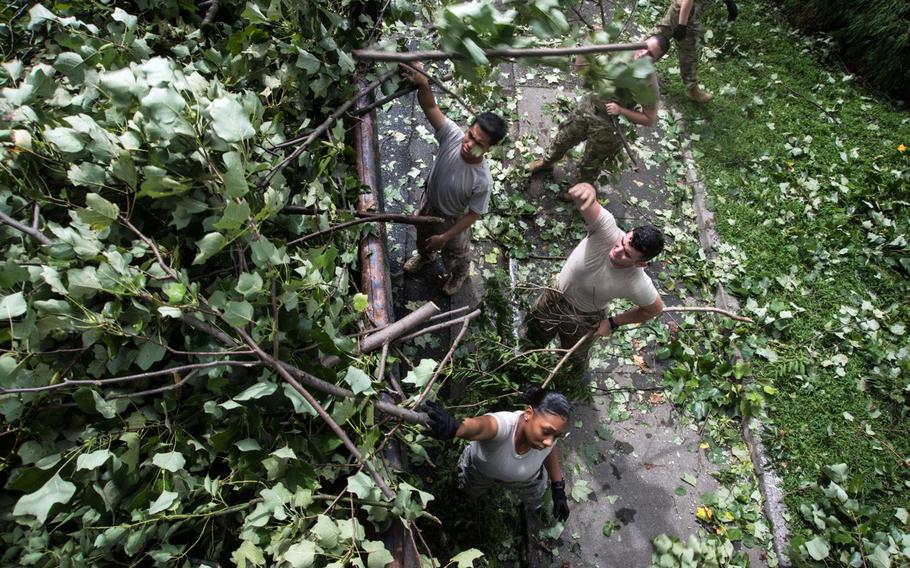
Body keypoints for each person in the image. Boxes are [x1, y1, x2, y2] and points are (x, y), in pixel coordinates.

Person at [524, 182, 665, 379]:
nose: (616, 252)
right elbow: (587, 203)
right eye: (621, 243)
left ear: (641, 263)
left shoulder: (637, 282)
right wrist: (586, 191)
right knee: (532, 337)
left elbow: (655, 309)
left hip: (584, 317)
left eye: (626, 254)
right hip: (554, 295)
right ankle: (522, 365)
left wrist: (613, 323)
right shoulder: (607, 229)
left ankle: (566, 385)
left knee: (574, 360)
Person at [400, 63, 508, 296]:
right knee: (423, 237)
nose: (469, 145)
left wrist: (445, 236)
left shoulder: (482, 180)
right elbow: (429, 105)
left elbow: (474, 214)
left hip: (453, 220)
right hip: (430, 203)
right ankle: (425, 257)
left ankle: (458, 275)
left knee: (456, 253)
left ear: (489, 149)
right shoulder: (452, 135)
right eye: (470, 136)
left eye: (479, 144)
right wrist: (423, 83)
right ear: (468, 128)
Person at [527, 34, 668, 185]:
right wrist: (591, 40)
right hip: (587, 108)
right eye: (643, 47)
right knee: (563, 138)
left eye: (650, 55)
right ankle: (546, 162)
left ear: (656, 61)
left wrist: (621, 110)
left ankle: (579, 191)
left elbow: (649, 119)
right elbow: (579, 66)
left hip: (607, 127)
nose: (643, 54)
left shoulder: (649, 83)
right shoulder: (619, 51)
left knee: (591, 163)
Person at [424, 387, 571, 522]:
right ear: (528, 414)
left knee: (536, 497)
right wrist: (456, 427)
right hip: (479, 473)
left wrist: (558, 488)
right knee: (469, 490)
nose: (549, 441)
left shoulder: (547, 438)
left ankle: (536, 509)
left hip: (527, 481)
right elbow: (482, 426)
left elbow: (550, 451)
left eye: (556, 436)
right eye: (546, 432)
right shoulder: (504, 426)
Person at [650, 0, 738, 103]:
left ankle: (633, 56)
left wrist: (728, 2)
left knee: (660, 34)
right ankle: (693, 90)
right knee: (688, 51)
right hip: (685, 13)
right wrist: (682, 25)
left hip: (684, 11)